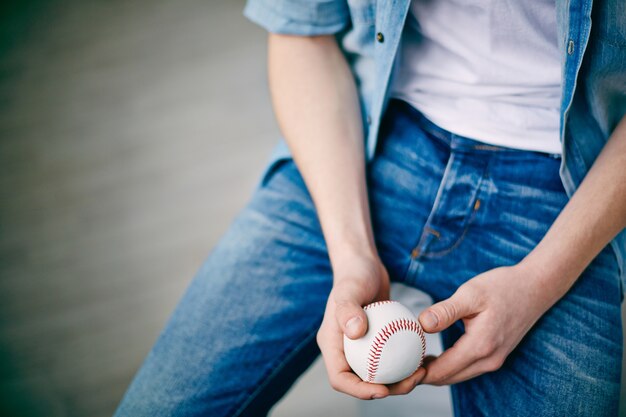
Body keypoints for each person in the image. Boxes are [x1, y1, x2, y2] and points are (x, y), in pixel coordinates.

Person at [114, 0, 626, 415]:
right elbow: (300, 32)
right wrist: (351, 252)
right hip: (365, 142)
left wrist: (540, 281)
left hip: (567, 191)